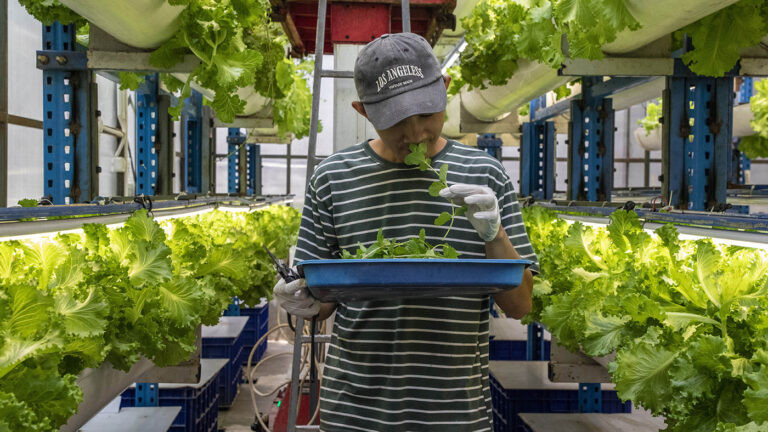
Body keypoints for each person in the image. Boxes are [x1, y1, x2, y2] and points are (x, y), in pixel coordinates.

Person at [274, 32, 539, 432]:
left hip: (455, 414)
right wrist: (301, 299)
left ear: (445, 88)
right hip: (355, 414)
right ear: (363, 111)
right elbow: (322, 303)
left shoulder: (485, 175)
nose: (415, 133)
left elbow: (520, 306)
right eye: (396, 120)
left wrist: (494, 235)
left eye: (427, 113)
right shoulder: (332, 179)